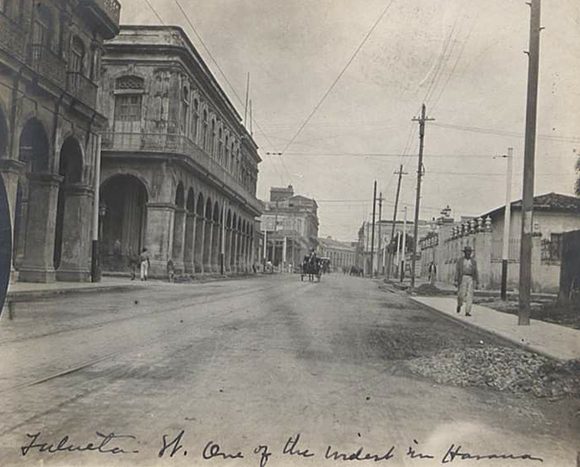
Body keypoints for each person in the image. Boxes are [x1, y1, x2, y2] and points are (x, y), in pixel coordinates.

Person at [455, 245, 478, 316]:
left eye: (469, 252)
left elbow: (476, 272)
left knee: (470, 295)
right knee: (461, 294)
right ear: (464, 253)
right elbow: (457, 271)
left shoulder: (473, 261)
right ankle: (459, 304)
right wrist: (456, 280)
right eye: (467, 252)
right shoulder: (460, 261)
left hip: (470, 278)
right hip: (462, 278)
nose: (468, 253)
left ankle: (467, 311)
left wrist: (476, 281)